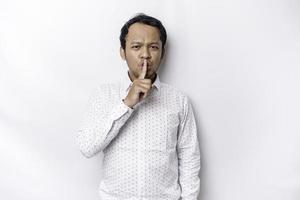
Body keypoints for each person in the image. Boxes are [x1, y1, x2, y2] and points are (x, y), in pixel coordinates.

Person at [77, 13, 201, 200]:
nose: (145, 55)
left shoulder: (179, 100)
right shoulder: (103, 95)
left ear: (163, 52)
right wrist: (127, 103)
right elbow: (87, 147)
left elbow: (189, 158)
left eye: (153, 47)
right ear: (122, 52)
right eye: (136, 47)